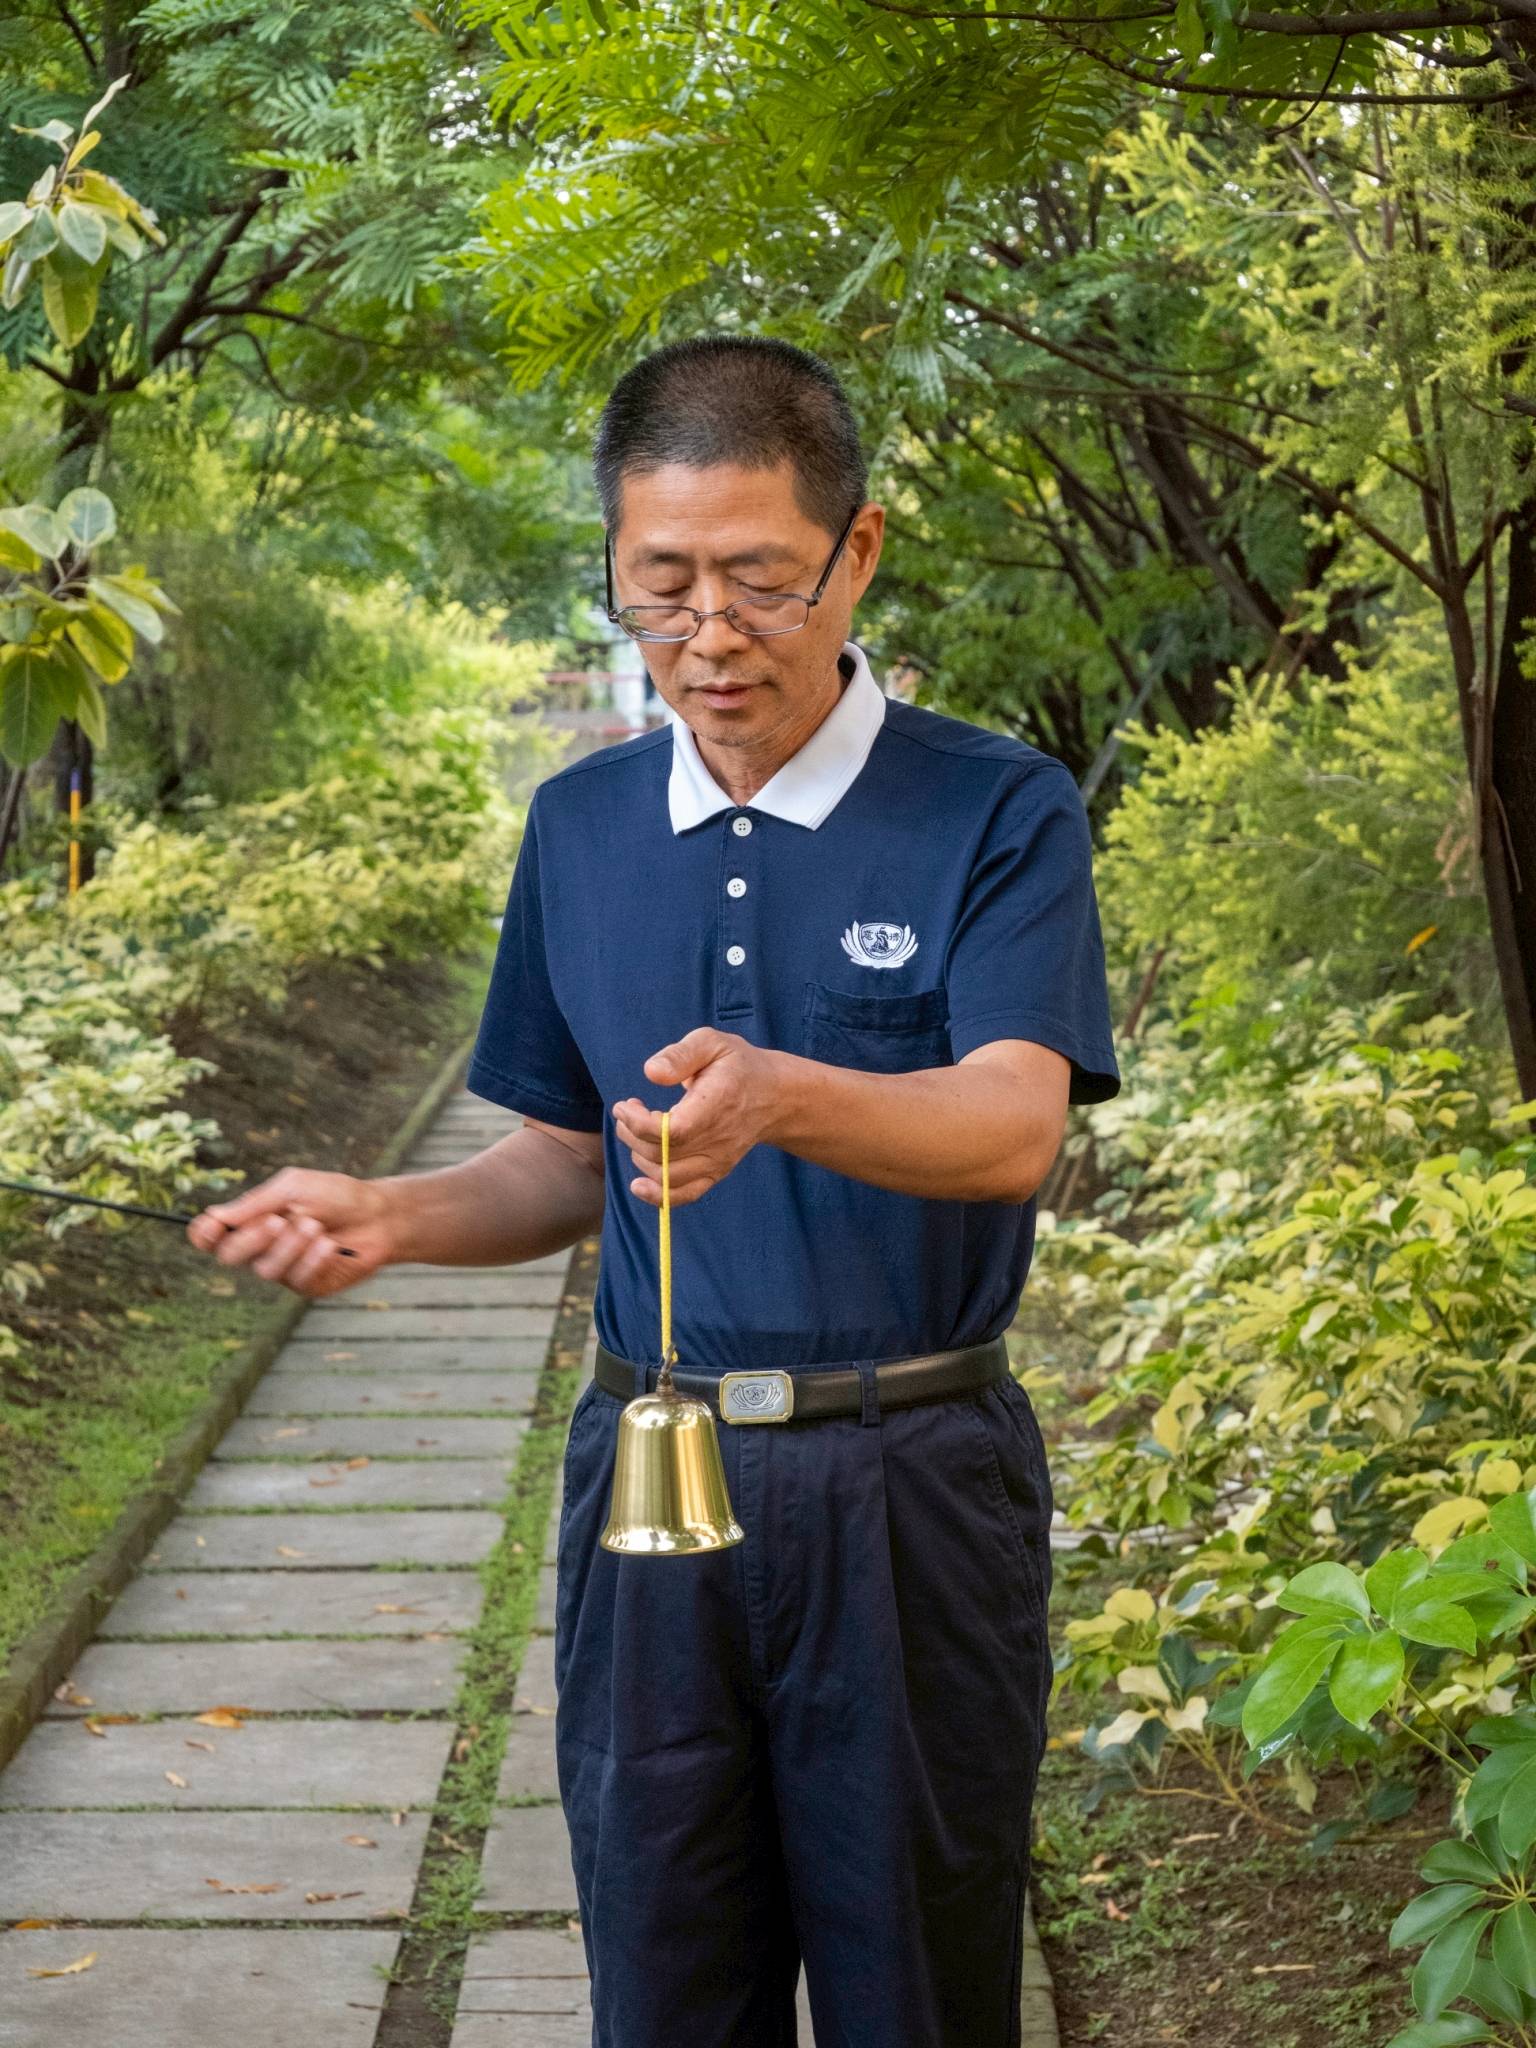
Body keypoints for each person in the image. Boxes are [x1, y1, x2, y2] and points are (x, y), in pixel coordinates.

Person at [186, 333, 1122, 2048]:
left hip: (908, 1491)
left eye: (759, 580)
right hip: (649, 1481)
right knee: (664, 1978)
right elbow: (563, 1159)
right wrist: (391, 1216)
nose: (708, 634)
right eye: (661, 584)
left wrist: (786, 1096)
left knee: (919, 1989)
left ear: (857, 550)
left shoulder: (995, 808)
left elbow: (1011, 1127)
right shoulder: (583, 825)